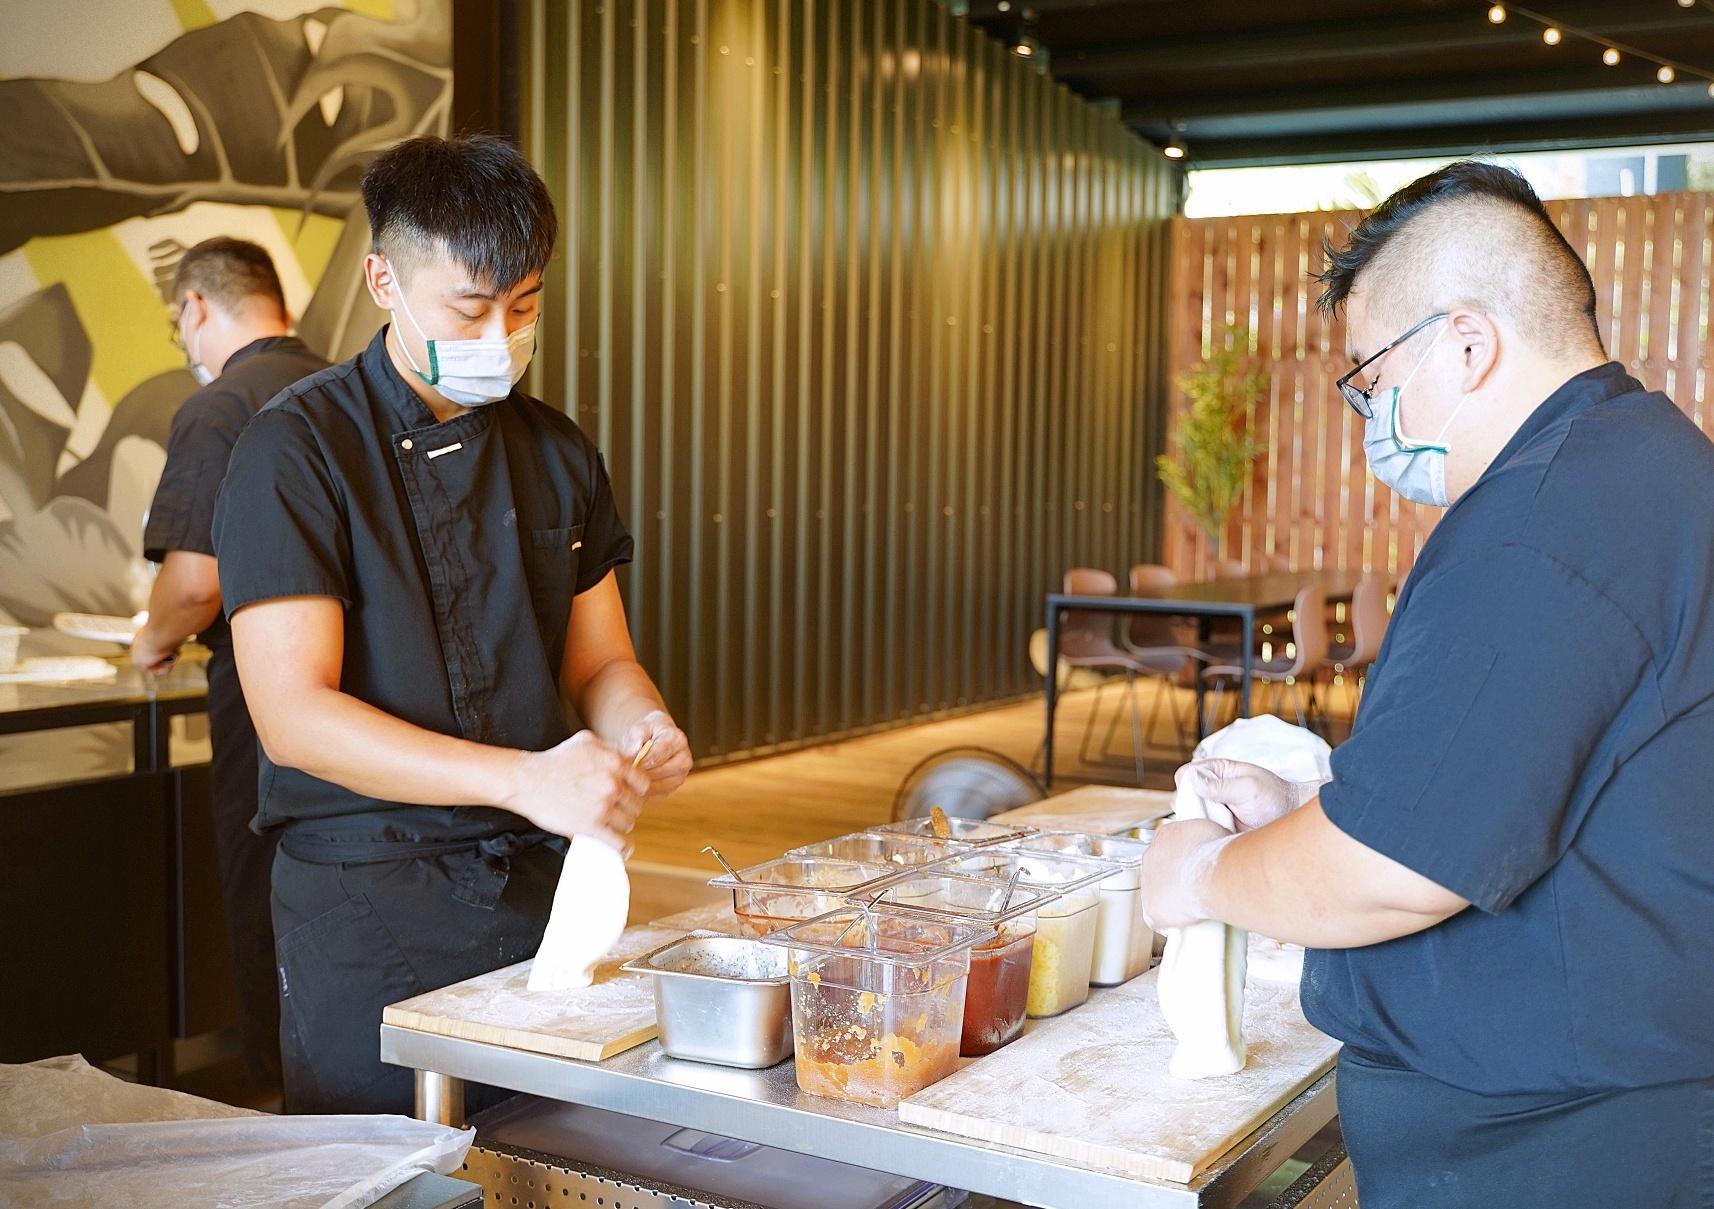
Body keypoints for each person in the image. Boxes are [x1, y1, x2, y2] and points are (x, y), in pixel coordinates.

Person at [1141, 160, 1714, 1208]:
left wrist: (1202, 875)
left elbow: (1400, 868)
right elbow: (1535, 789)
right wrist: (1310, 815)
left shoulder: (1538, 528)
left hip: (1568, 1141)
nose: (1367, 414)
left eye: (1366, 378)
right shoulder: (1634, 469)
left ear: (1465, 341)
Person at [210, 135, 693, 1115]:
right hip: (367, 892)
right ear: (384, 279)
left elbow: (600, 659)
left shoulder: (557, 451)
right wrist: (526, 777)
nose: (499, 337)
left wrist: (637, 722)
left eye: (525, 308)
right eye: (468, 309)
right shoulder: (297, 452)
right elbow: (295, 718)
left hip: (532, 877)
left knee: (545, 1154)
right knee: (400, 1171)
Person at [136, 237, 329, 1092]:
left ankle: (282, 1099)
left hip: (265, 701)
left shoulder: (219, 408)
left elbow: (194, 584)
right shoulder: (347, 387)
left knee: (264, 896)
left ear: (197, 307)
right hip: (363, 698)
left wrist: (149, 641)